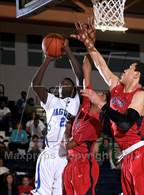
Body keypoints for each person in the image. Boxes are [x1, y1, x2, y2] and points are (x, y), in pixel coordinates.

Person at [73, 21, 144, 195]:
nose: (125, 70)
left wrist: (101, 103)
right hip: (128, 156)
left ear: (136, 75)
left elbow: (126, 124)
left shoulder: (141, 95)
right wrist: (88, 43)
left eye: (129, 68)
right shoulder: (117, 87)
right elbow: (100, 64)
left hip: (140, 155)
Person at [31, 38, 83, 195]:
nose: (65, 83)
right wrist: (48, 58)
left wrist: (67, 51)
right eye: (62, 83)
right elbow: (36, 85)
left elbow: (81, 77)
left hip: (65, 157)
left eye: (68, 83)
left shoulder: (75, 102)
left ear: (73, 89)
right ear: (58, 89)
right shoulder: (51, 101)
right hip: (49, 154)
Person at [63, 55, 102, 195]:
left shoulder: (93, 124)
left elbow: (67, 145)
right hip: (72, 163)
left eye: (102, 95)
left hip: (84, 166)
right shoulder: (86, 104)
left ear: (102, 104)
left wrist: (67, 129)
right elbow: (86, 69)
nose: (99, 93)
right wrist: (89, 44)